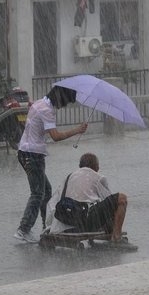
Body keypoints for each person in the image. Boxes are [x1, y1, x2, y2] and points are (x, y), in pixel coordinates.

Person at [14, 86, 88, 243]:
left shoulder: (40, 103)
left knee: (45, 191)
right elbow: (55, 136)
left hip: (28, 152)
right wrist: (77, 130)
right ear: (60, 98)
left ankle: (45, 227)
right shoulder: (46, 110)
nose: (64, 105)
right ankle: (23, 229)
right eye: (66, 102)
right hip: (32, 154)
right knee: (38, 193)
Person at [46, 153, 137, 249]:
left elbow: (52, 204)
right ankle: (117, 238)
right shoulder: (97, 177)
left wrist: (50, 227)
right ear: (96, 167)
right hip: (84, 221)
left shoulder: (68, 177)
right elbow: (109, 202)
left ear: (80, 166)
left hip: (65, 220)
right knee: (121, 198)